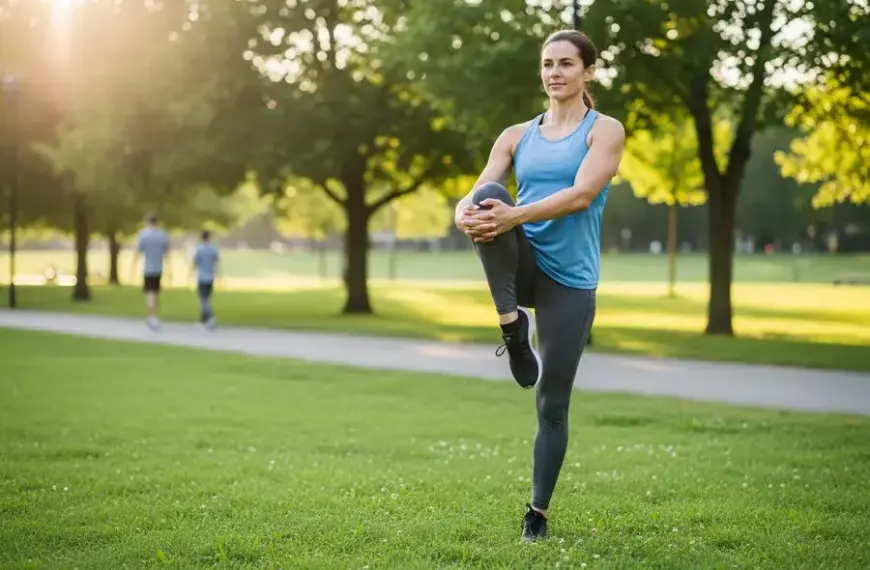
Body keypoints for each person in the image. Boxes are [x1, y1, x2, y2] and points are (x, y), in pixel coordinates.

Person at [453, 29, 625, 542]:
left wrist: (513, 215)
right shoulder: (515, 134)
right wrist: (464, 213)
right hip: (521, 261)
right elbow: (479, 190)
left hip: (570, 278)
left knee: (552, 401)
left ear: (588, 72)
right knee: (485, 195)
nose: (554, 72)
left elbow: (581, 194)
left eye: (567, 64)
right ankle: (511, 324)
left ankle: (538, 513)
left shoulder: (604, 130)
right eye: (548, 63)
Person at [131, 213, 171, 330]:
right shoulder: (162, 235)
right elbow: (167, 253)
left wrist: (133, 267)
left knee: (150, 293)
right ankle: (154, 316)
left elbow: (137, 252)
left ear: (147, 222)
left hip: (148, 268)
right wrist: (170, 269)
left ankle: (152, 317)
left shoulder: (143, 235)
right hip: (158, 267)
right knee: (155, 293)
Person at [190, 229, 220, 329]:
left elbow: (195, 262)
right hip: (210, 277)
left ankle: (211, 318)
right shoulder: (213, 249)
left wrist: (190, 274)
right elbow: (216, 262)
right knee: (206, 299)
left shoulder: (199, 249)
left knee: (204, 300)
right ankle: (203, 320)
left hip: (202, 277)